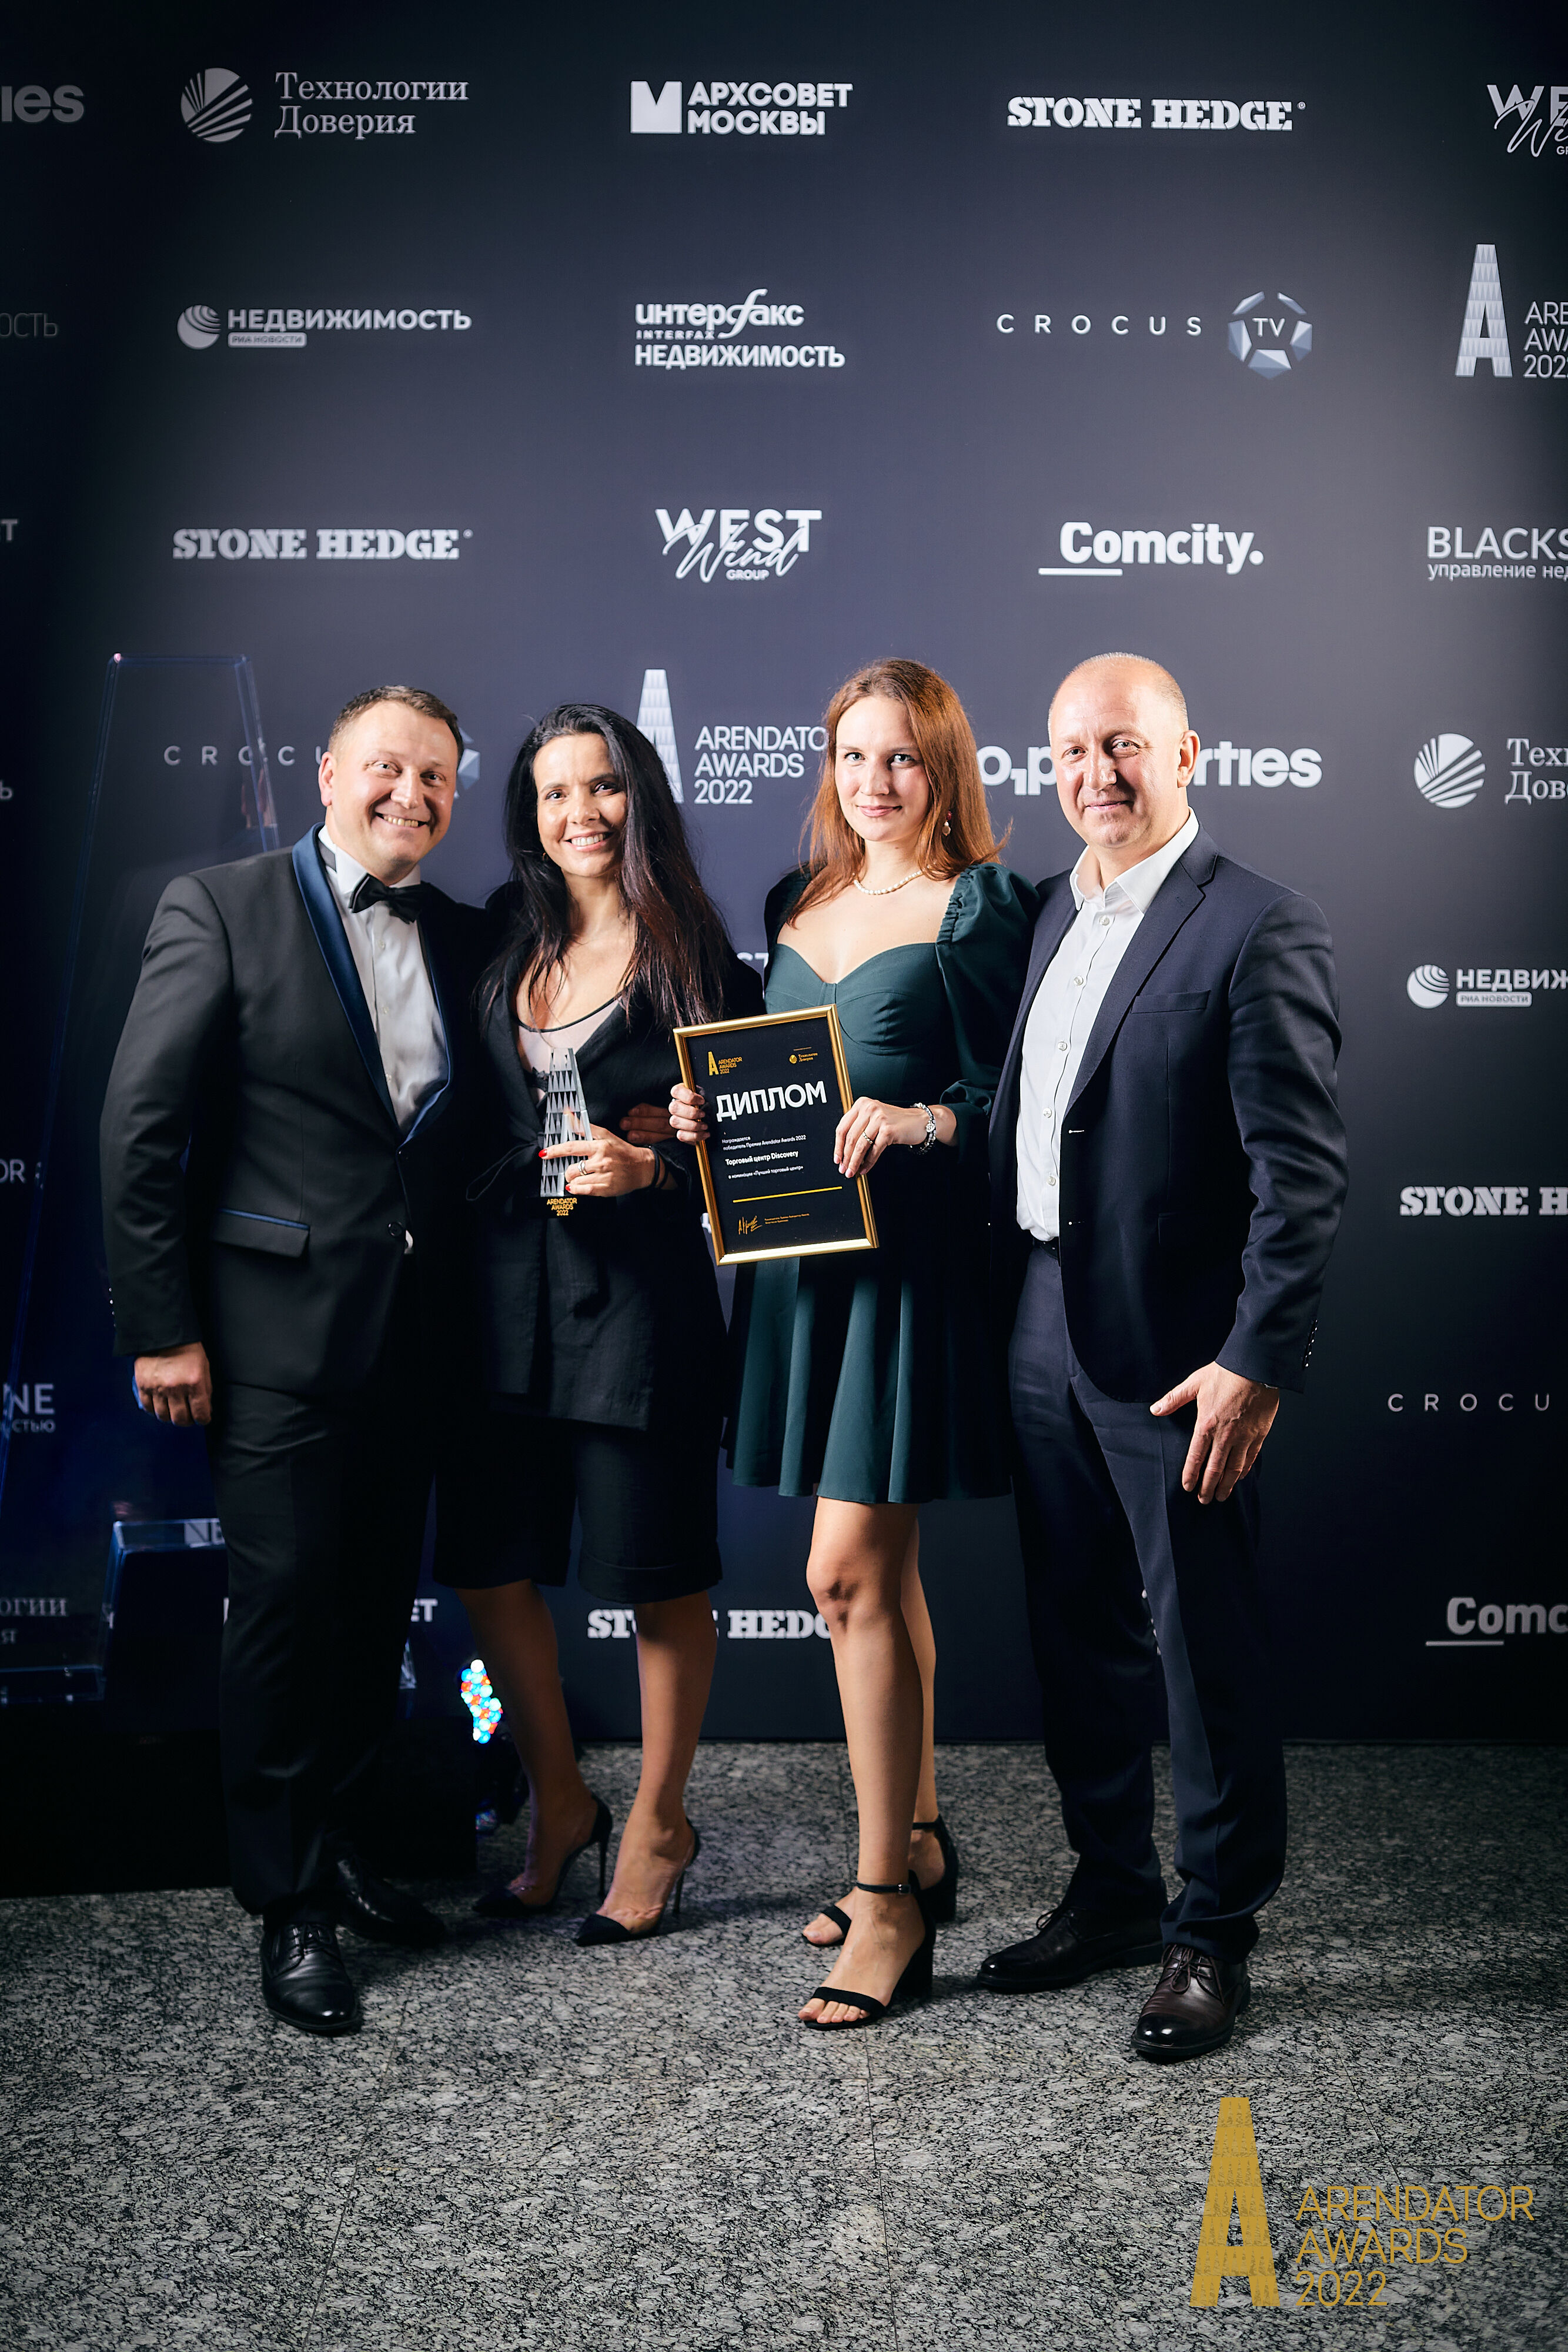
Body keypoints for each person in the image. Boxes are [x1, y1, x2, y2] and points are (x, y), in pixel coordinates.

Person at [101, 686, 489, 2035]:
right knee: (280, 1613)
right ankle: (288, 1900)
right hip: (269, 1338)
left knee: (373, 1610)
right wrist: (161, 1324)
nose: (409, 794)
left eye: (434, 777)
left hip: (414, 1337)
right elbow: (140, 1122)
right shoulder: (219, 906)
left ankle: (343, 1843)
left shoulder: (461, 931)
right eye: (385, 767)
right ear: (326, 773)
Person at [978, 652, 1348, 2059]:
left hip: (1178, 1351)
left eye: (1123, 745)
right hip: (1036, 1314)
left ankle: (1212, 1930)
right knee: (1074, 1626)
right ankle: (1113, 1890)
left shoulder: (1257, 923)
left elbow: (1298, 1174)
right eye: (1072, 750)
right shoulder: (1042, 910)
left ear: (1187, 754)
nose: (1097, 774)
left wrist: (1257, 1353)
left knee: (1200, 1643)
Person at [672, 659, 1036, 2026]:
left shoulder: (982, 906)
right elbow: (775, 1084)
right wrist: (712, 1124)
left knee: (839, 1576)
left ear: (942, 770)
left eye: (901, 757)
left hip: (904, 1281)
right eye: (851, 754)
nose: (873, 781)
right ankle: (922, 1840)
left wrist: (923, 1119)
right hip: (798, 1280)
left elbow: (1019, 1101)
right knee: (877, 1576)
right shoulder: (797, 899)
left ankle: (886, 1902)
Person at [451, 704, 762, 1944]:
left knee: (657, 1578)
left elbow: (754, 1158)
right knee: (487, 1568)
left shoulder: (701, 958)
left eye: (604, 786)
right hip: (497, 1304)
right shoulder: (498, 935)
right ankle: (561, 1795)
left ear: (643, 798)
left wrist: (660, 1171)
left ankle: (661, 1821)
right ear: (529, 814)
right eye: (554, 793)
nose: (580, 813)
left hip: (637, 1310)